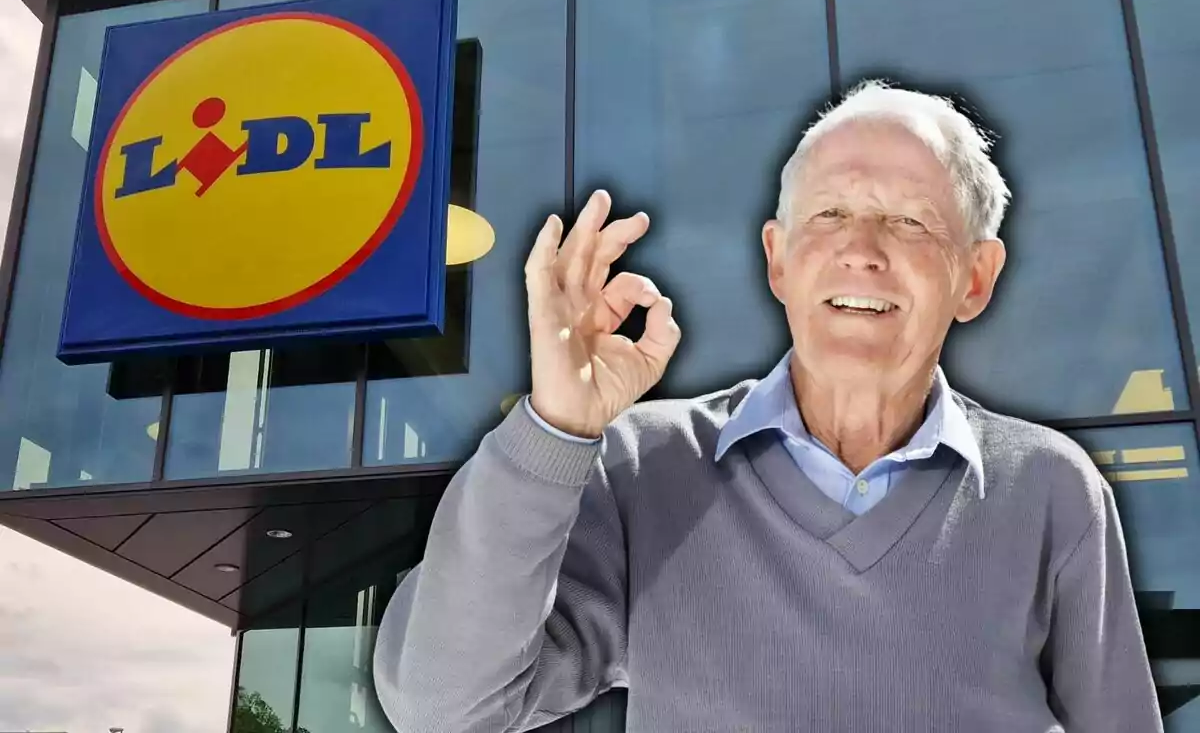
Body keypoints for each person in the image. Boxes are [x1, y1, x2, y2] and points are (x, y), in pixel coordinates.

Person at [373, 80, 1163, 732]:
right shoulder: (644, 467)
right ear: (778, 262)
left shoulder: (1051, 488)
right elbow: (443, 708)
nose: (862, 247)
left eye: (910, 221)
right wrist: (556, 428)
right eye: (828, 214)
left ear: (976, 277)